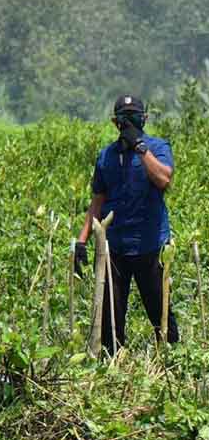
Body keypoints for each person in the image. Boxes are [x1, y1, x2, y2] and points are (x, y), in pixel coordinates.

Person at [74, 95, 179, 355]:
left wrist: (140, 147)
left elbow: (164, 180)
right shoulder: (106, 157)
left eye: (135, 117)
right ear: (115, 123)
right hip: (115, 248)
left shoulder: (158, 147)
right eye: (125, 119)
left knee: (160, 310)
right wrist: (81, 240)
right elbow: (97, 202)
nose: (130, 123)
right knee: (112, 316)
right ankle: (112, 363)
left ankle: (171, 360)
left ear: (144, 119)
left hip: (150, 245)